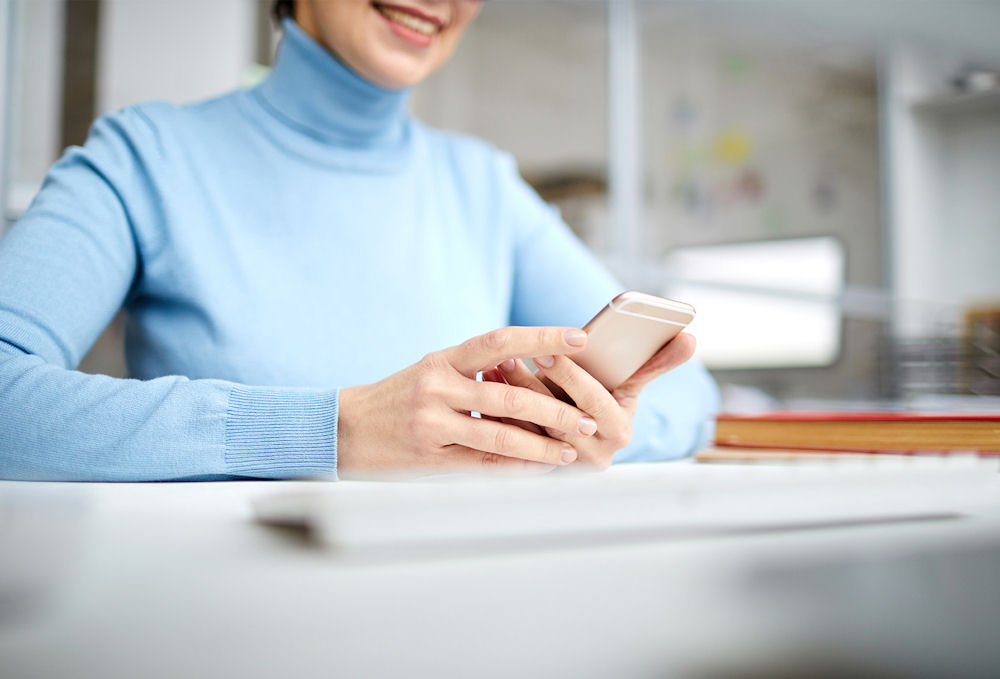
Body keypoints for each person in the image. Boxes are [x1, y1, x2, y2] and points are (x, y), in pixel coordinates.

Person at [0, 0, 718, 481]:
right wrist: (329, 430)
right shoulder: (146, 156)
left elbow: (688, 395)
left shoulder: (482, 184)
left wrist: (564, 431)